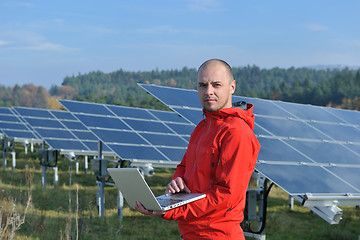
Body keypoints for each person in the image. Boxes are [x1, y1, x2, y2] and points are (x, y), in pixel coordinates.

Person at [134, 59, 261, 239]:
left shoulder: (236, 133)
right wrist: (177, 182)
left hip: (217, 235)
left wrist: (170, 211)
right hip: (191, 233)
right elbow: (185, 167)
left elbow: (225, 197)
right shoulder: (202, 127)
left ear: (232, 87)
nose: (208, 92)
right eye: (202, 85)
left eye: (216, 85)